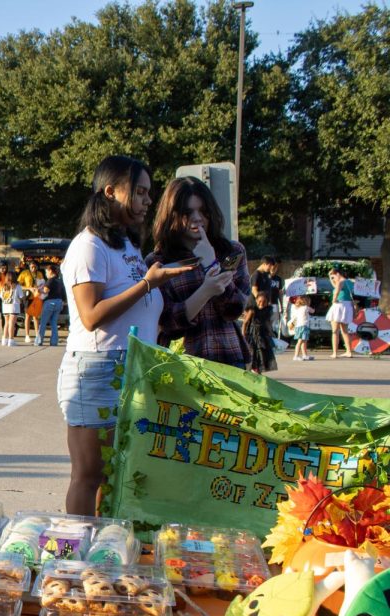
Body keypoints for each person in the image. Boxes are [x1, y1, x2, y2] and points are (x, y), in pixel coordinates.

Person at [58, 156, 193, 516]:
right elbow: (91, 316)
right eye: (140, 192)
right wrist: (148, 283)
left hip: (129, 369)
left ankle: (100, 553)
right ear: (110, 192)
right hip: (97, 369)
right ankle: (77, 557)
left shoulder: (126, 247)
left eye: (149, 193)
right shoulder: (88, 246)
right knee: (89, 474)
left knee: (113, 474)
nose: (148, 201)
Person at [147, 176, 251, 369]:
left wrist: (211, 263)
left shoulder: (231, 252)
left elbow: (234, 309)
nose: (197, 218)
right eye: (187, 212)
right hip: (180, 364)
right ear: (171, 215)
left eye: (203, 211)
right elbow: (166, 322)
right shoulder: (158, 262)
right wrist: (205, 291)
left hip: (227, 358)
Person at [243, 291, 278, 374]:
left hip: (263, 335)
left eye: (264, 302)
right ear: (256, 301)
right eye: (259, 301)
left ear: (267, 302)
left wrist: (271, 334)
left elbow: (268, 323)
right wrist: (243, 336)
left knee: (262, 354)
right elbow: (245, 323)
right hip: (252, 334)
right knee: (252, 353)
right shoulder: (252, 310)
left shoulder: (268, 310)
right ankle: (252, 370)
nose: (261, 304)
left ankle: (258, 370)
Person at [326, 267, 355, 358]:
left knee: (335, 331)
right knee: (345, 331)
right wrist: (331, 280)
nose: (333, 279)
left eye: (333, 276)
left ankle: (335, 353)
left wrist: (333, 300)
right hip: (348, 306)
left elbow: (336, 291)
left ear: (338, 274)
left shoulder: (340, 282)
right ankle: (349, 351)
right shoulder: (349, 282)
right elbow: (338, 287)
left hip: (339, 305)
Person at [37, 263, 65, 346]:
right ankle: (54, 342)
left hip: (50, 302)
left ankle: (39, 341)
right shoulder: (60, 280)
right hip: (59, 302)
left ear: (50, 271)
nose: (46, 274)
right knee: (54, 323)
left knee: (43, 322)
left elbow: (45, 291)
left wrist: (38, 290)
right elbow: (63, 293)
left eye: (46, 272)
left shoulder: (51, 280)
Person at [19, 261, 43, 342]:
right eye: (32, 267)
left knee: (36, 316)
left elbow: (42, 284)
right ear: (29, 267)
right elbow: (19, 285)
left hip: (36, 297)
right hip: (28, 297)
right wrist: (29, 288)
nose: (33, 268)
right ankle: (27, 335)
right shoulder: (24, 273)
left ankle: (37, 334)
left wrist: (38, 289)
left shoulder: (39, 274)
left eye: (35, 267)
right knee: (28, 316)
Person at [0, 270, 22, 346]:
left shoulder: (4, 286)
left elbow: (1, 296)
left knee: (6, 323)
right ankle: (11, 340)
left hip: (5, 306)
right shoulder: (17, 286)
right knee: (12, 323)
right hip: (14, 306)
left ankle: (4, 340)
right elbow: (21, 296)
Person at [288, 294, 314, 361]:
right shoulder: (306, 307)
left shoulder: (298, 308)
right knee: (300, 342)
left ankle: (304, 355)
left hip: (299, 327)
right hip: (303, 327)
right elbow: (313, 311)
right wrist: (309, 307)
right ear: (306, 302)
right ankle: (296, 356)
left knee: (303, 341)